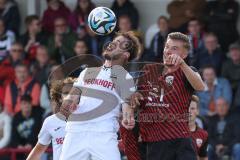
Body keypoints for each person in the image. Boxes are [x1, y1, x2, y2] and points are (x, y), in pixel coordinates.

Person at [59, 31, 141, 160]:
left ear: (125, 55)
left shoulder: (125, 77)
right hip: (76, 131)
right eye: (114, 41)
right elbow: (73, 96)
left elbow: (127, 106)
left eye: (119, 44)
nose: (112, 44)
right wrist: (69, 103)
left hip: (103, 134)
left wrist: (128, 117)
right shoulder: (87, 71)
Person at [130, 32, 205, 160]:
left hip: (180, 140)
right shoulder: (149, 70)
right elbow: (137, 101)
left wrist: (182, 64)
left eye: (174, 48)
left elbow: (200, 86)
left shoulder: (187, 71)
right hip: (154, 141)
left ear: (184, 54)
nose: (168, 51)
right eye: (167, 47)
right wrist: (135, 98)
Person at [27, 77, 75, 160]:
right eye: (66, 93)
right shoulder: (50, 122)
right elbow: (38, 150)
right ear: (60, 98)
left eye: (73, 93)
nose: (70, 96)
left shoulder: (90, 120)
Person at [10, 95, 43, 159]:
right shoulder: (16, 118)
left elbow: (36, 131)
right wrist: (18, 145)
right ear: (20, 105)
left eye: (29, 103)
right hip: (20, 150)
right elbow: (13, 135)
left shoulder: (37, 114)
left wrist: (30, 143)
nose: (26, 106)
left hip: (35, 147)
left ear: (31, 104)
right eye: (24, 103)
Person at [189, 95, 208, 160]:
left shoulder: (204, 134)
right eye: (186, 108)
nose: (189, 111)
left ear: (197, 111)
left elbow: (203, 157)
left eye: (192, 108)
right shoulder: (175, 131)